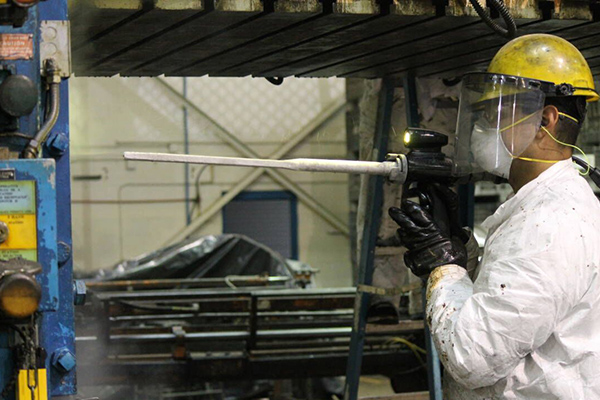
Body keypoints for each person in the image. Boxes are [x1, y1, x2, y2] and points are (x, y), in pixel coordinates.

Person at [389, 33, 600, 399]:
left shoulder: (548, 224)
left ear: (545, 120)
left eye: (498, 112)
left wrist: (443, 266)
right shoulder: (545, 206)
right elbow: (502, 307)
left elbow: (472, 356)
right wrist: (461, 253)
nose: (482, 126)